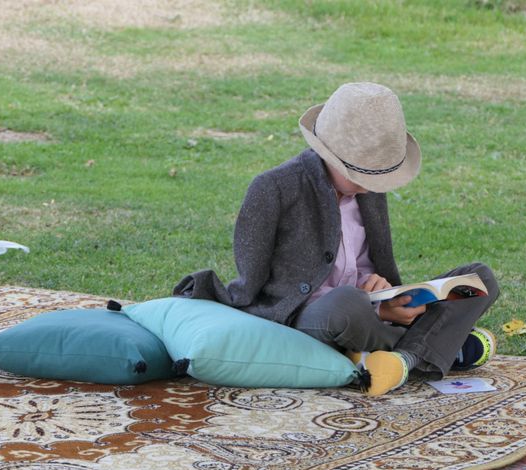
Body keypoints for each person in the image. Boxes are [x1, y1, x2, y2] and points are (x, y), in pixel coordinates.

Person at [174, 82, 500, 396]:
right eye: (363, 173)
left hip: (369, 312)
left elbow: (365, 264)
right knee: (346, 305)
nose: (371, 184)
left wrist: (383, 292)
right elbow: (255, 280)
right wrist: (379, 313)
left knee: (478, 279)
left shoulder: (367, 192)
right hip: (311, 316)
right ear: (329, 153)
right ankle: (441, 346)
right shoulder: (273, 189)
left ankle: (399, 361)